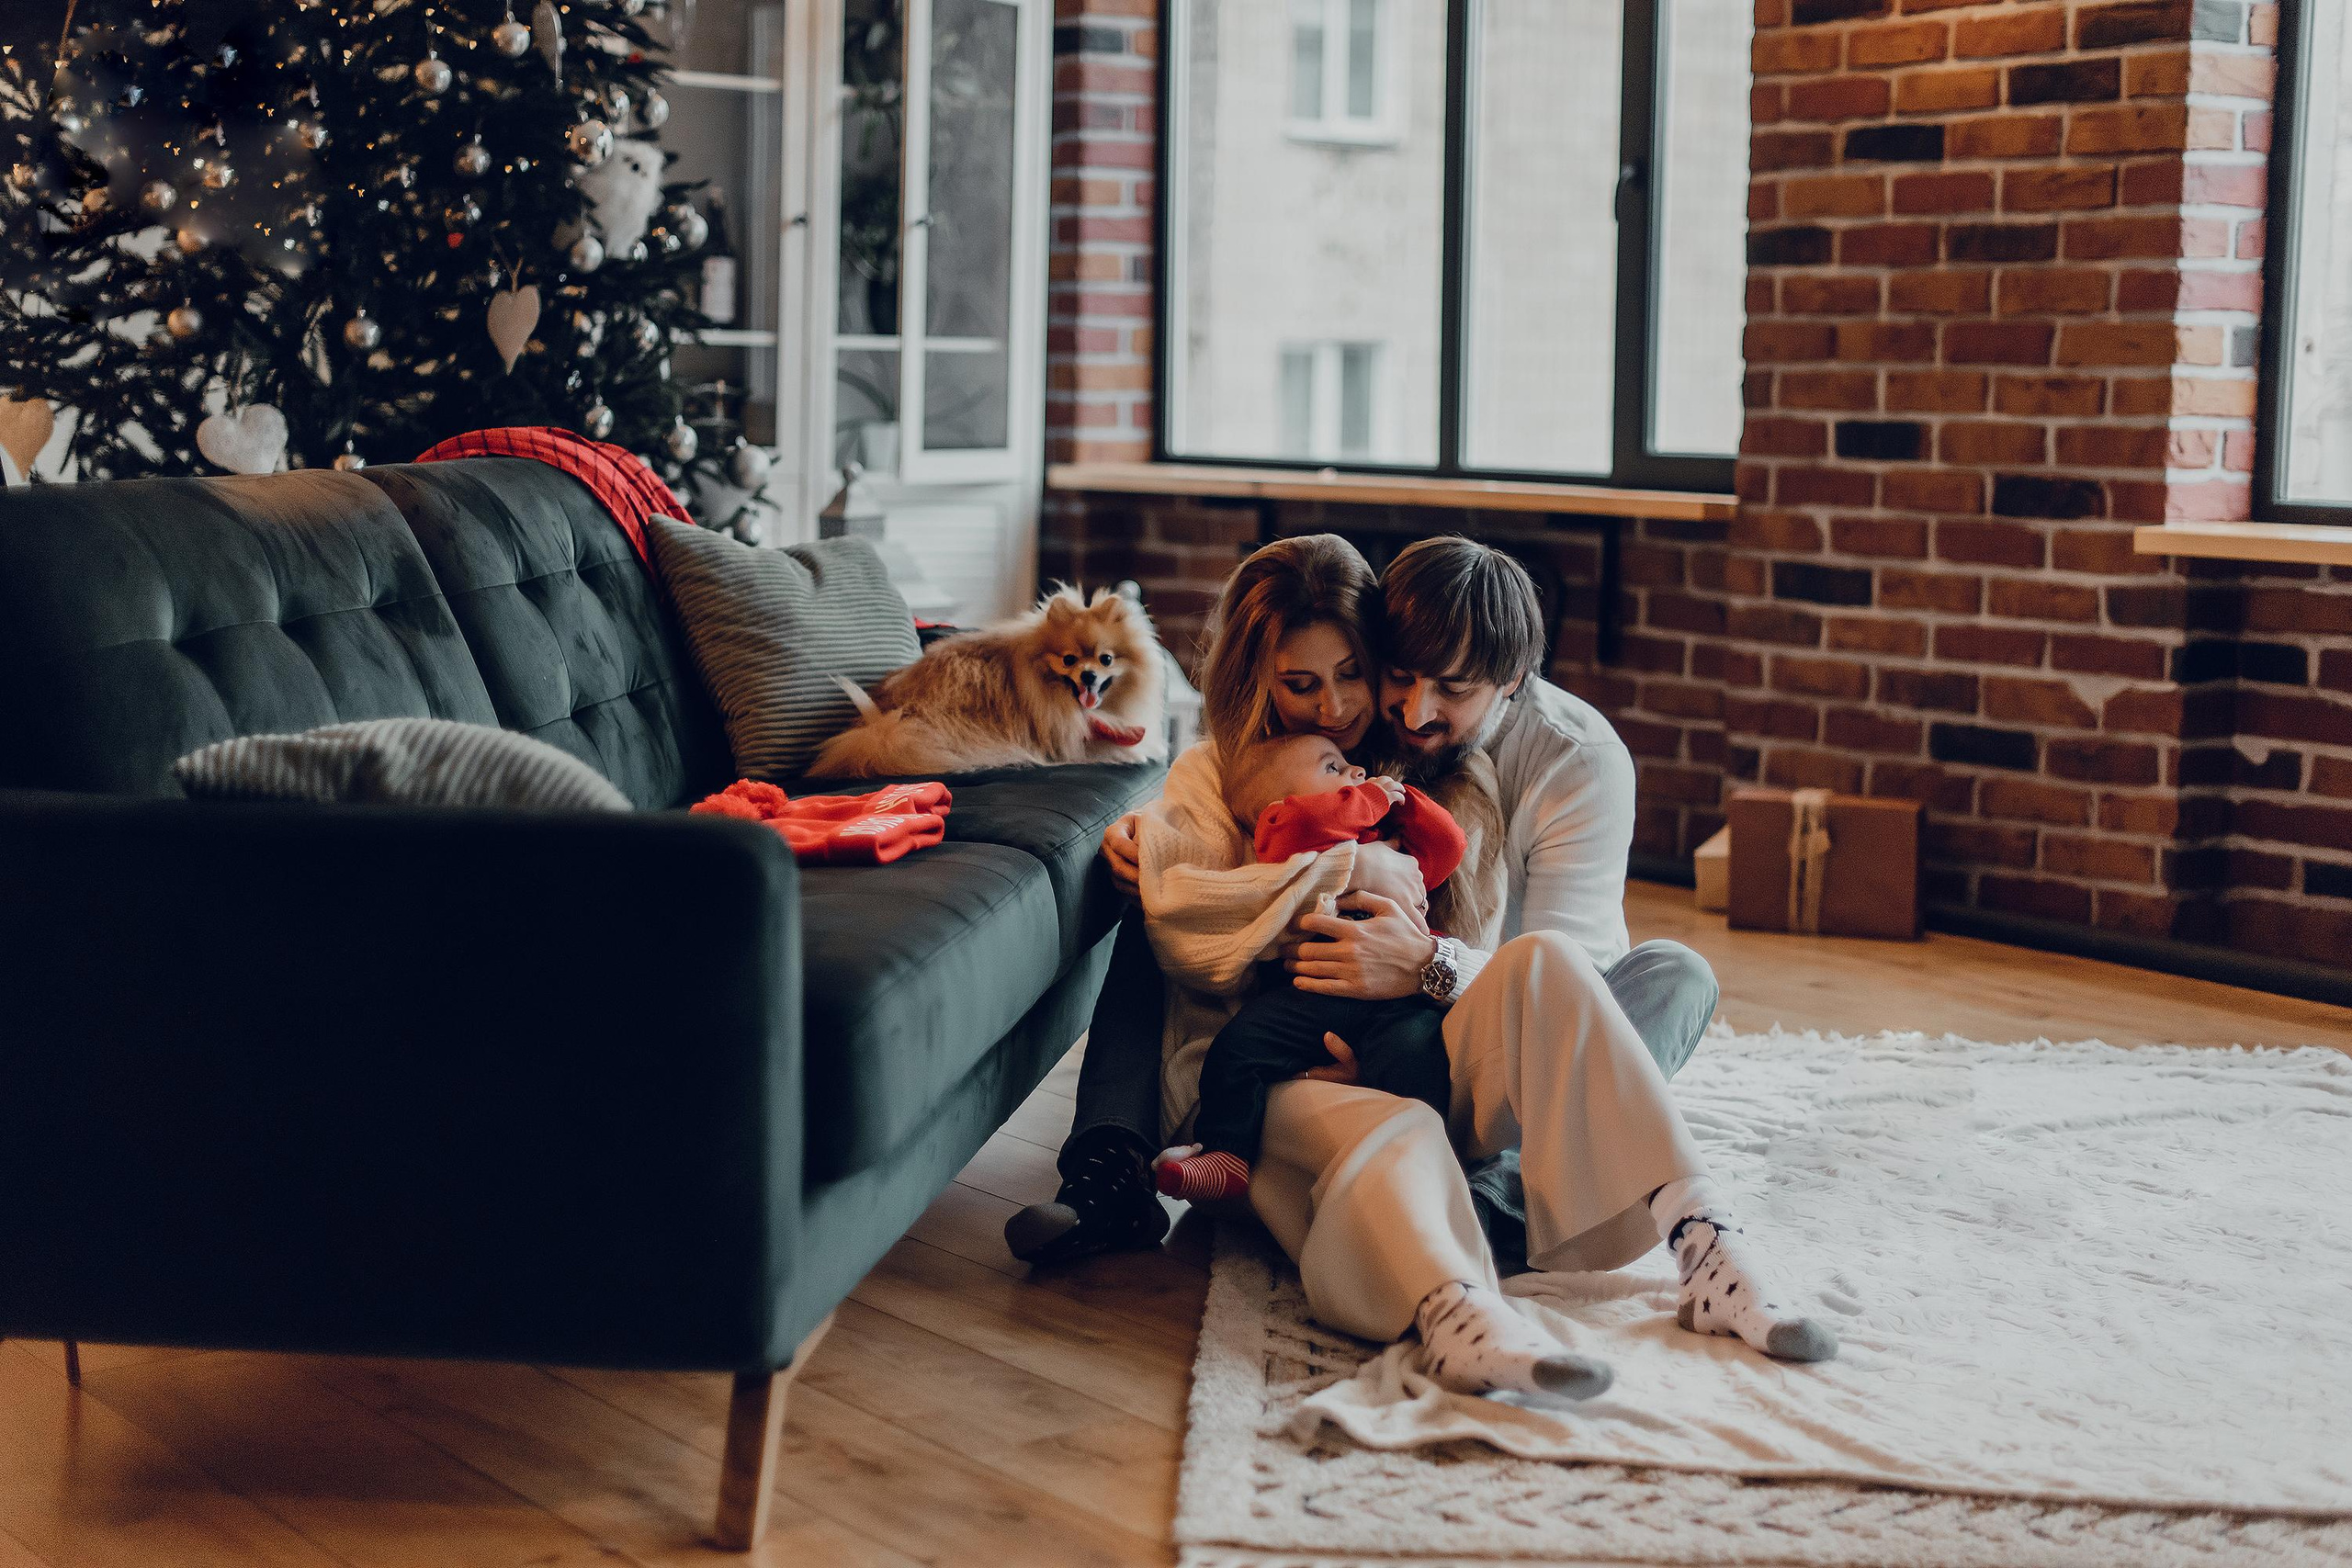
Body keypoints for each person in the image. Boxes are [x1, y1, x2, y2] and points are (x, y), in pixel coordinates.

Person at [1011, 535, 1835, 1390]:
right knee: (1388, 1118)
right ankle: (1456, 1301)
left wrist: (1427, 967)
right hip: (1286, 1060)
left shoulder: (1564, 760)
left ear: (1511, 682)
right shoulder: (1257, 761)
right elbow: (1189, 905)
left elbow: (1568, 993)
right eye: (1395, 674)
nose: (1398, 710)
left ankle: (1696, 1241)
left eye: (1445, 688)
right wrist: (1282, 868)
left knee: (1620, 968)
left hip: (1468, 1036)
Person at [1148, 732, 1467, 1204]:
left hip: (1401, 997)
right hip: (1309, 996)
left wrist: (1403, 803)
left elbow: (1448, 846)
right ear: (1278, 803)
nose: (1353, 774)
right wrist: (1368, 797)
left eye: (1350, 768)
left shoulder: (1387, 843)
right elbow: (1298, 828)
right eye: (1332, 769)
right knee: (1237, 1047)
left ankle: (1430, 1174)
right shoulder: (1284, 835)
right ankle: (1226, 1153)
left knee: (1417, 1056)